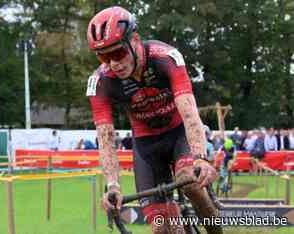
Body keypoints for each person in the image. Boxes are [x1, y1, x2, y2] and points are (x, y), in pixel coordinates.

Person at [86, 6, 221, 234]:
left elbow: (189, 113)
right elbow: (106, 137)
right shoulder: (100, 82)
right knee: (161, 227)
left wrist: (200, 158)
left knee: (191, 182)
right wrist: (113, 186)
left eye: (117, 53)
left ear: (135, 40)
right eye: (103, 57)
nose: (113, 64)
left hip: (179, 134)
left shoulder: (165, 58)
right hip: (147, 145)